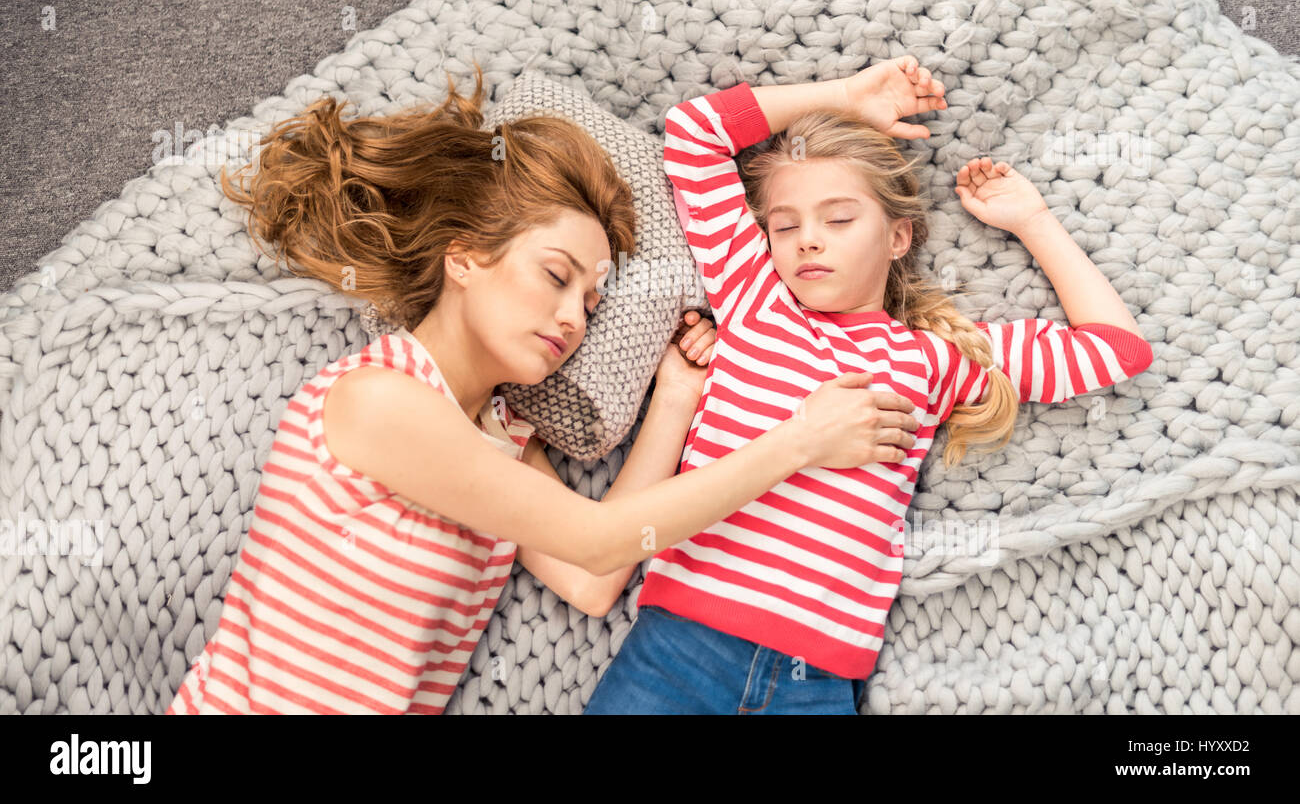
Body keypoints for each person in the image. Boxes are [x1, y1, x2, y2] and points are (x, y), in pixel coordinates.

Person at [166, 62, 920, 714]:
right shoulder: (379, 399)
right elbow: (595, 538)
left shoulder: (498, 440)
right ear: (464, 258)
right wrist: (798, 442)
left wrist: (678, 394)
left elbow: (595, 578)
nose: (572, 321)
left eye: (591, 304)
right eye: (556, 277)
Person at [583, 56, 1155, 714]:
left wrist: (1033, 220)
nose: (808, 243)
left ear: (897, 235)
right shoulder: (754, 301)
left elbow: (1116, 350)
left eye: (839, 219)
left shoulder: (932, 360)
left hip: (816, 682)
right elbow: (693, 134)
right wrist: (848, 97)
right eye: (785, 224)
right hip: (677, 652)